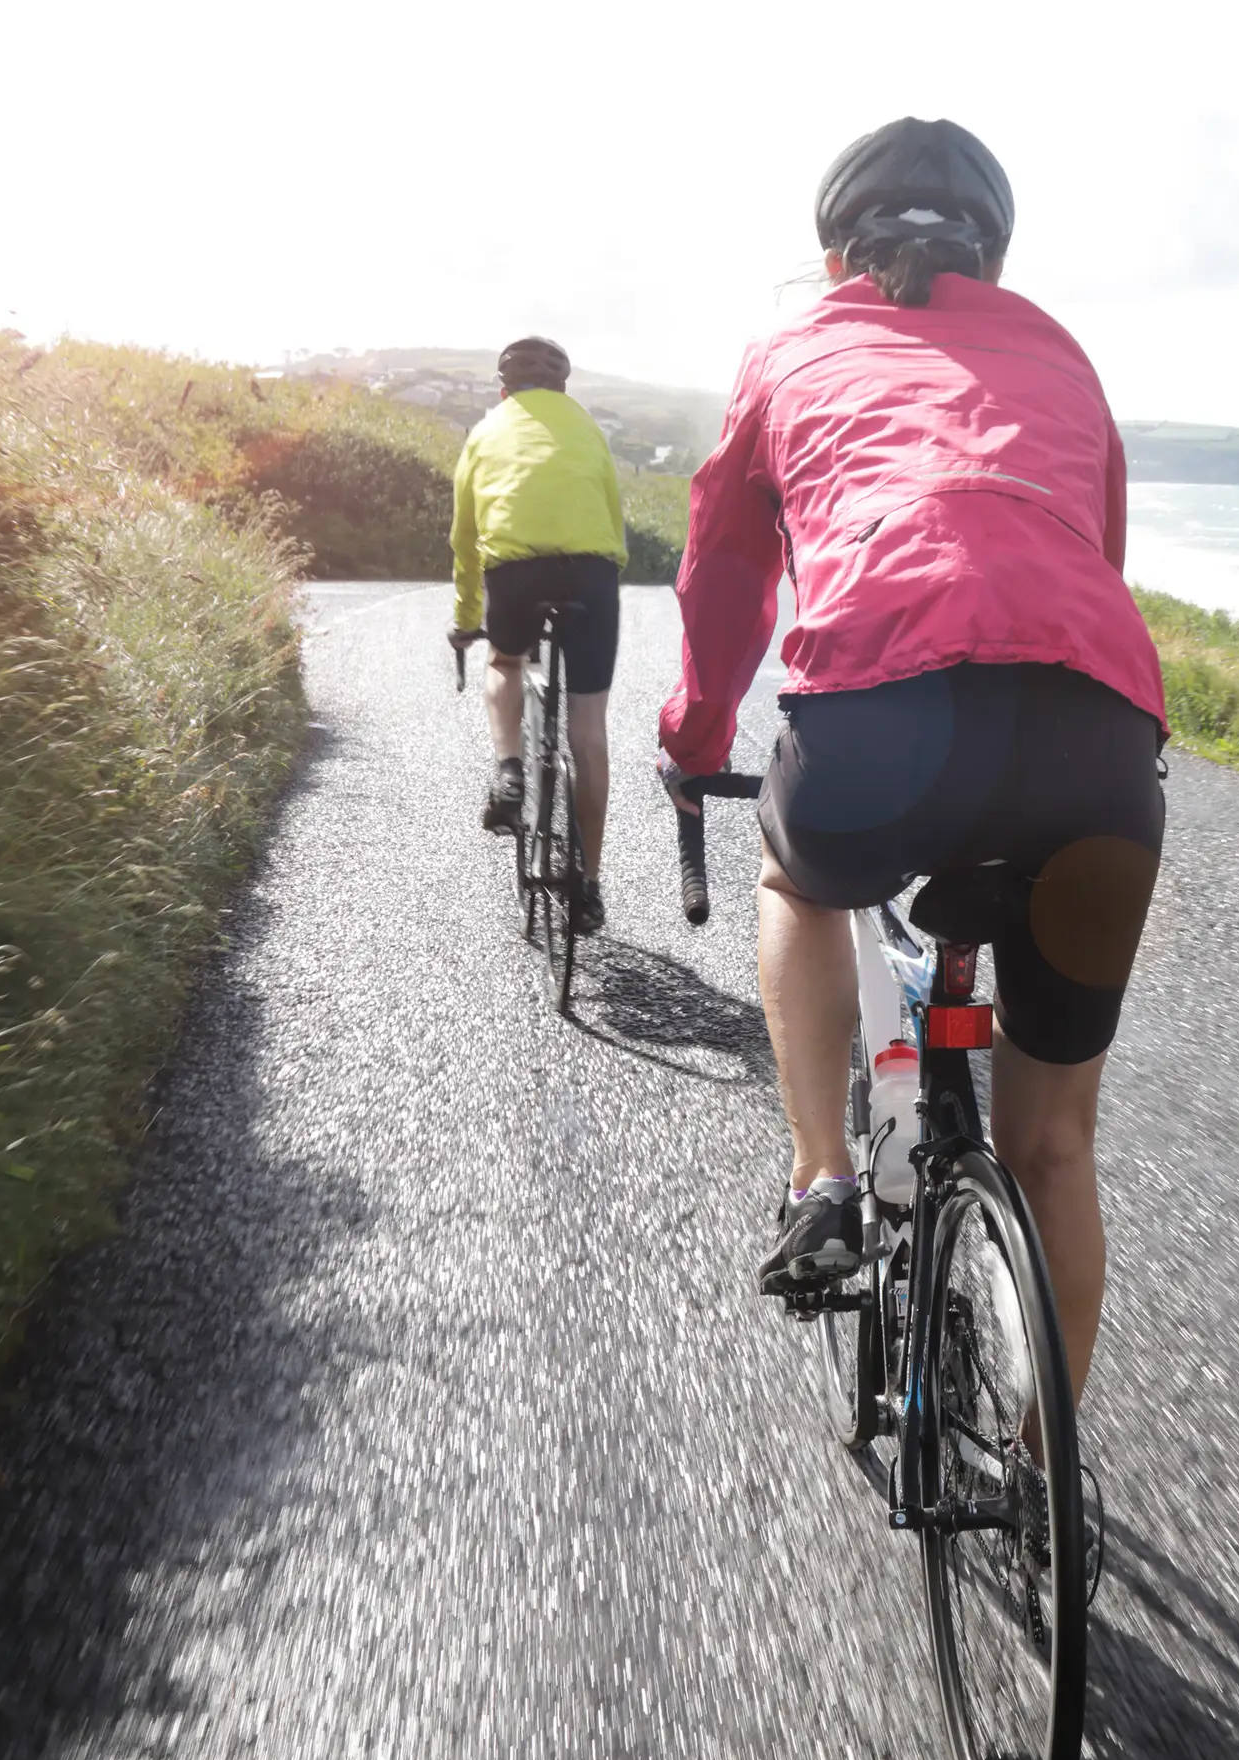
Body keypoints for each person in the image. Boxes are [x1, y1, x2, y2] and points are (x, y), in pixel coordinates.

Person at [656, 117, 1164, 1389]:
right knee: (1056, 1147)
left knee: (796, 879)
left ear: (838, 254)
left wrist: (696, 738)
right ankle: (1050, 1476)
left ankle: (822, 1174)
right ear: (994, 255)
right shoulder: (1058, 347)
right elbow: (1096, 557)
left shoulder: (792, 348)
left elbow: (723, 577)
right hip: (1095, 739)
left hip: (877, 719)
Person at [451, 335, 628, 934]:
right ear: (561, 388)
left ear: (504, 389)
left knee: (505, 662)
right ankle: (589, 886)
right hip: (593, 573)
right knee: (589, 727)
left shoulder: (486, 431)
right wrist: (602, 579)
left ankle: (509, 771)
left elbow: (464, 539)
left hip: (516, 570)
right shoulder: (587, 428)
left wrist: (466, 618)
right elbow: (613, 520)